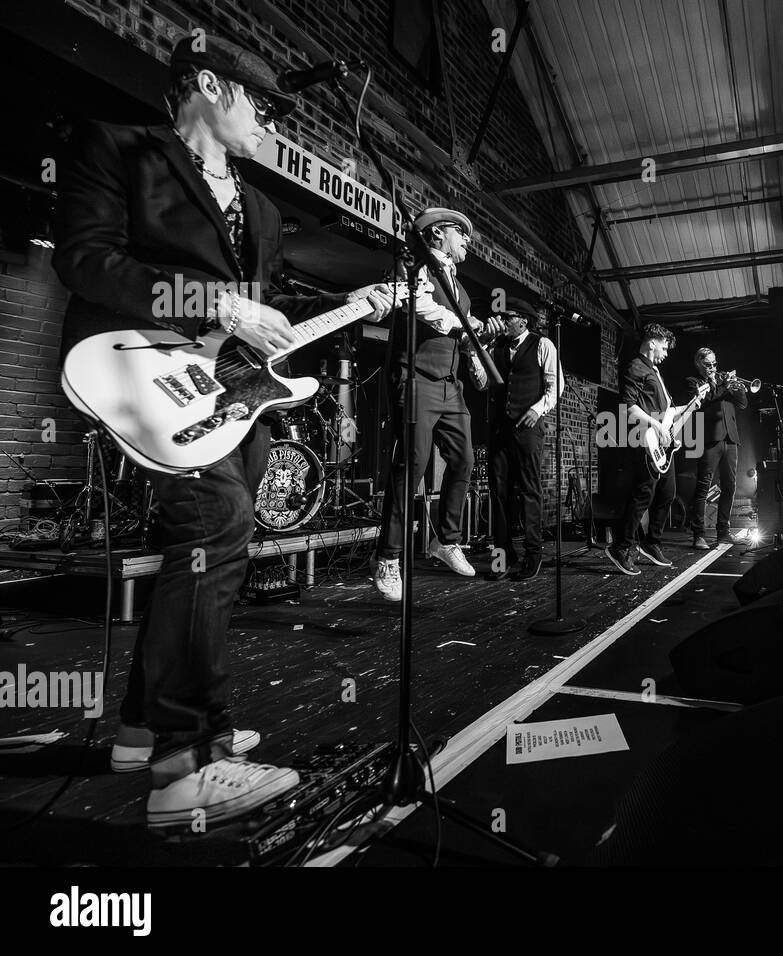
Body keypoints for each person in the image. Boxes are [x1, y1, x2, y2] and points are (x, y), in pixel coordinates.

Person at [53, 35, 396, 826]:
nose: (274, 125)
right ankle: (186, 766)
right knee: (217, 520)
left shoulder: (264, 210)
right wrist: (212, 304)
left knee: (208, 541)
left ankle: (142, 730)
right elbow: (86, 262)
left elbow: (258, 325)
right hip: (135, 366)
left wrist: (355, 307)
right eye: (266, 106)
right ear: (209, 84)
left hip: (223, 392)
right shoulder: (122, 148)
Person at [371, 206, 504, 599]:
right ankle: (389, 558)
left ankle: (445, 539)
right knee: (411, 466)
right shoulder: (415, 266)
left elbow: (462, 338)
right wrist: (464, 325)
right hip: (416, 380)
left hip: (450, 386)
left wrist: (478, 349)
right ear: (438, 234)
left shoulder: (460, 289)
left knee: (463, 460)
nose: (467, 241)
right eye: (461, 234)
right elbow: (416, 306)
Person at [606, 324, 703, 575]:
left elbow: (669, 411)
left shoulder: (654, 371)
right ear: (652, 342)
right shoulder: (635, 367)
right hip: (643, 439)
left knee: (668, 493)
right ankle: (621, 546)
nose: (666, 353)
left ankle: (651, 542)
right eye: (664, 347)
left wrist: (690, 408)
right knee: (643, 495)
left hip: (661, 443)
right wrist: (656, 427)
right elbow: (628, 406)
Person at [484, 297, 564, 581]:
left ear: (523, 321)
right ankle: (503, 556)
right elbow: (482, 381)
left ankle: (533, 553)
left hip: (529, 429)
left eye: (509, 317)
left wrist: (536, 409)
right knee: (499, 491)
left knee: (529, 490)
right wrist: (480, 346)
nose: (503, 320)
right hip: (499, 429)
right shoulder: (497, 346)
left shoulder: (543, 345)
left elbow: (556, 387)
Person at [685, 347, 749, 549]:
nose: (713, 368)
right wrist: (724, 384)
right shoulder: (694, 382)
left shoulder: (724, 383)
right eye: (708, 364)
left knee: (730, 486)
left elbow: (743, 404)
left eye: (714, 363)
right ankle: (699, 534)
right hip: (709, 440)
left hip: (730, 439)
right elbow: (706, 400)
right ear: (699, 364)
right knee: (703, 486)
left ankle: (723, 532)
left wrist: (737, 388)